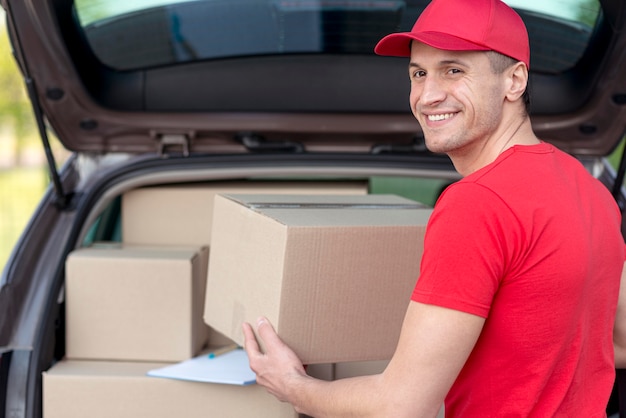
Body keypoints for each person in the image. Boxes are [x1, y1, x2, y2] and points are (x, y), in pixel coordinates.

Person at [242, 0, 626, 416]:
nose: (428, 95)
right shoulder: (591, 192)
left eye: (454, 70)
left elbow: (403, 406)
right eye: (419, 73)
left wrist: (291, 385)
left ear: (514, 81)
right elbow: (619, 341)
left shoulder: (477, 204)